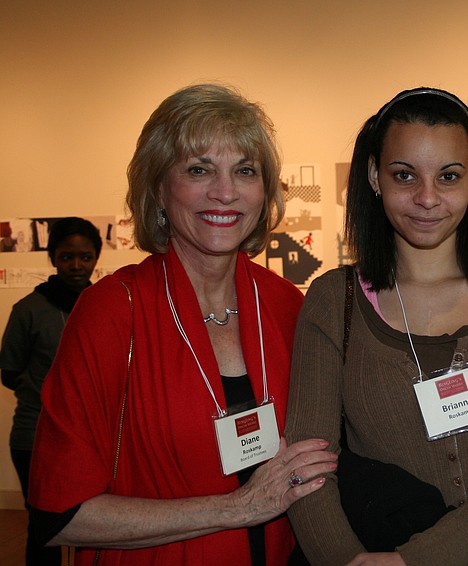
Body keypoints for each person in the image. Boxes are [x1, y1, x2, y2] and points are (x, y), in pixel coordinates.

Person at [27, 83, 337, 565]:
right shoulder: (113, 311)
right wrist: (239, 508)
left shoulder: (285, 304)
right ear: (158, 188)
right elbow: (60, 515)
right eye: (199, 169)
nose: (226, 192)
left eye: (245, 170)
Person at [285, 87, 468, 565]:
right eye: (404, 175)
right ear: (374, 176)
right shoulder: (333, 301)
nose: (427, 198)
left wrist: (411, 563)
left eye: (448, 176)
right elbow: (307, 468)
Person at [1, 216, 102, 565]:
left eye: (85, 257)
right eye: (66, 257)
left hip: (93, 436)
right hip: (35, 435)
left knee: (93, 523)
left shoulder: (103, 305)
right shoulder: (28, 310)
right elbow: (10, 373)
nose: (76, 265)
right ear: (53, 258)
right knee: (45, 528)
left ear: (96, 258)